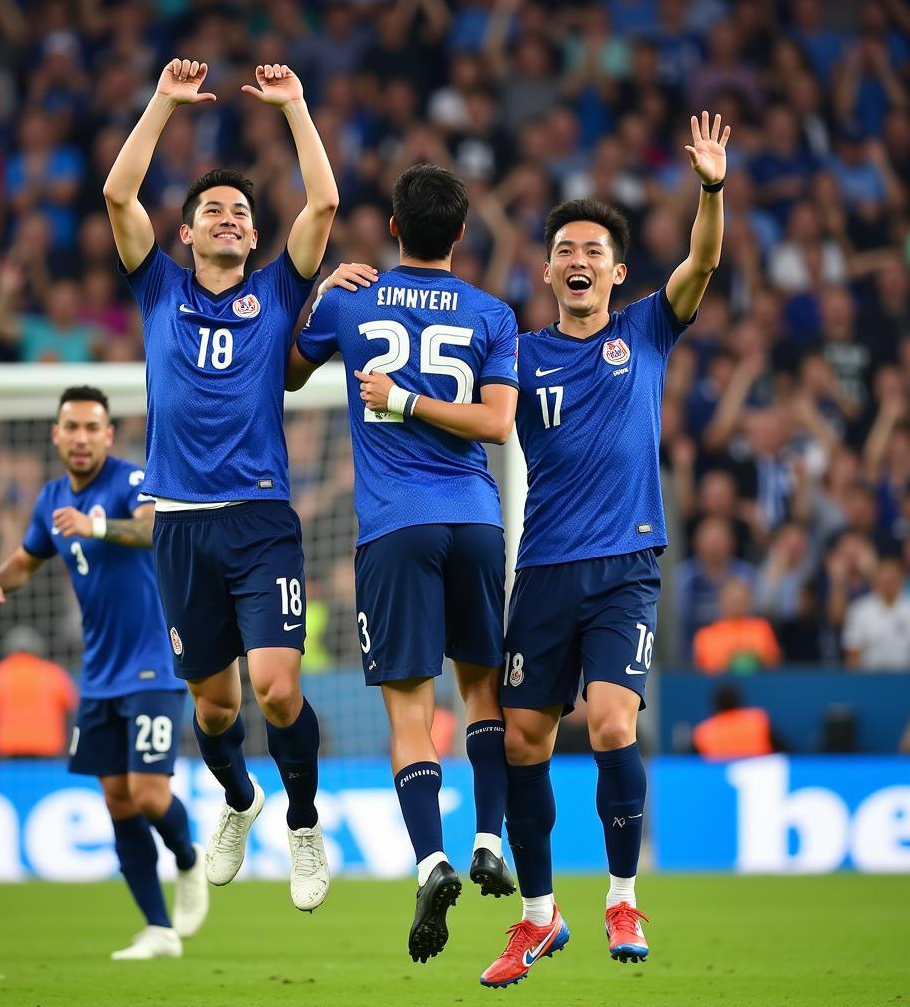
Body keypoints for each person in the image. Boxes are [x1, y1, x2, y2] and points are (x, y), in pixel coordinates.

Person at [477, 111, 731, 985]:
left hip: (625, 565)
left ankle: (622, 894)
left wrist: (709, 188)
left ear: (616, 272)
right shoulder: (517, 351)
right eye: (565, 250)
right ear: (546, 268)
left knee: (614, 719)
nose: (578, 261)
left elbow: (702, 262)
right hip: (541, 568)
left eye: (594, 250)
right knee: (521, 742)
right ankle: (538, 920)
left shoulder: (648, 331)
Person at [104, 59, 338, 912]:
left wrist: (297, 108)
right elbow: (118, 197)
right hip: (181, 527)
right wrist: (163, 102)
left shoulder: (278, 289)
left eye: (241, 211)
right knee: (213, 708)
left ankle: (304, 825)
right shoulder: (157, 286)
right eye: (214, 211)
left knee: (278, 687)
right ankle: (241, 801)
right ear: (189, 233)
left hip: (262, 518)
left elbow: (323, 206)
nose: (231, 218)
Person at [289, 163, 520, 962]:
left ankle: (431, 861)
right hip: (478, 521)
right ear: (461, 234)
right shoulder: (493, 312)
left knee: (409, 716)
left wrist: (320, 294)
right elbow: (496, 426)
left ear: (392, 228)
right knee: (483, 691)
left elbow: (286, 375)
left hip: (393, 529)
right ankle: (491, 837)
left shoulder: (353, 298)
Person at [0, 386, 207, 961]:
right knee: (117, 800)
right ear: (56, 434)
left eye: (91, 428)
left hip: (153, 663)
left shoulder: (131, 482)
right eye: (71, 427)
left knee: (150, 794)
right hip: (99, 675)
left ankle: (189, 857)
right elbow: (30, 556)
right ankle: (157, 929)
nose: (81, 438)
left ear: (108, 434)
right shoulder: (51, 499)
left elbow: (155, 530)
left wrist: (97, 527)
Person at [0, 626, 78, 758]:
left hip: (8, 748)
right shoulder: (54, 673)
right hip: (47, 747)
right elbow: (72, 712)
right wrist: (73, 749)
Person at [692, 685, 777, 761]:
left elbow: (688, 762)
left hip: (718, 776)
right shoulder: (758, 721)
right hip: (758, 773)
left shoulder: (703, 731)